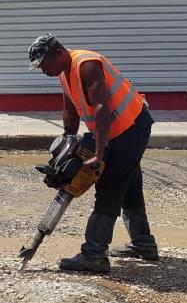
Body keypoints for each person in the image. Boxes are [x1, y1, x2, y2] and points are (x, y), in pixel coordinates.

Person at [29, 33, 157, 273]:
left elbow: (101, 108)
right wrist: (69, 138)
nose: (43, 71)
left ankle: (95, 253)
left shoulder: (86, 65)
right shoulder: (64, 73)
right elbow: (69, 108)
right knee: (129, 184)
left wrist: (99, 151)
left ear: (58, 53)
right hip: (117, 131)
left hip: (131, 128)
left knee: (109, 186)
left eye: (44, 64)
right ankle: (144, 244)